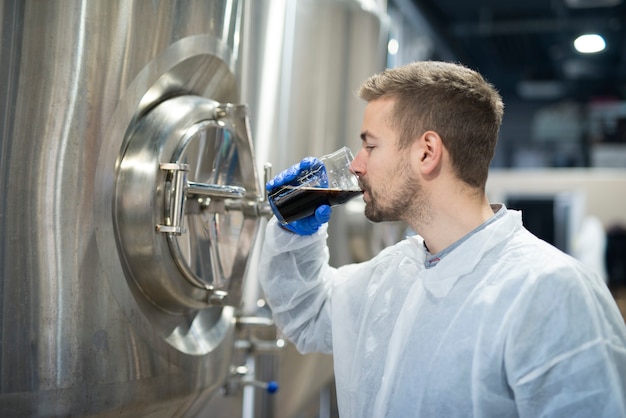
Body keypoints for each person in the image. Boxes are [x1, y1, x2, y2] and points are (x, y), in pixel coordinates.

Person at [258, 61, 626, 417]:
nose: (356, 165)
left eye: (370, 146)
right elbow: (312, 315)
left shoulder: (551, 292)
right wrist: (294, 234)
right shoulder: (396, 272)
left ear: (427, 152)